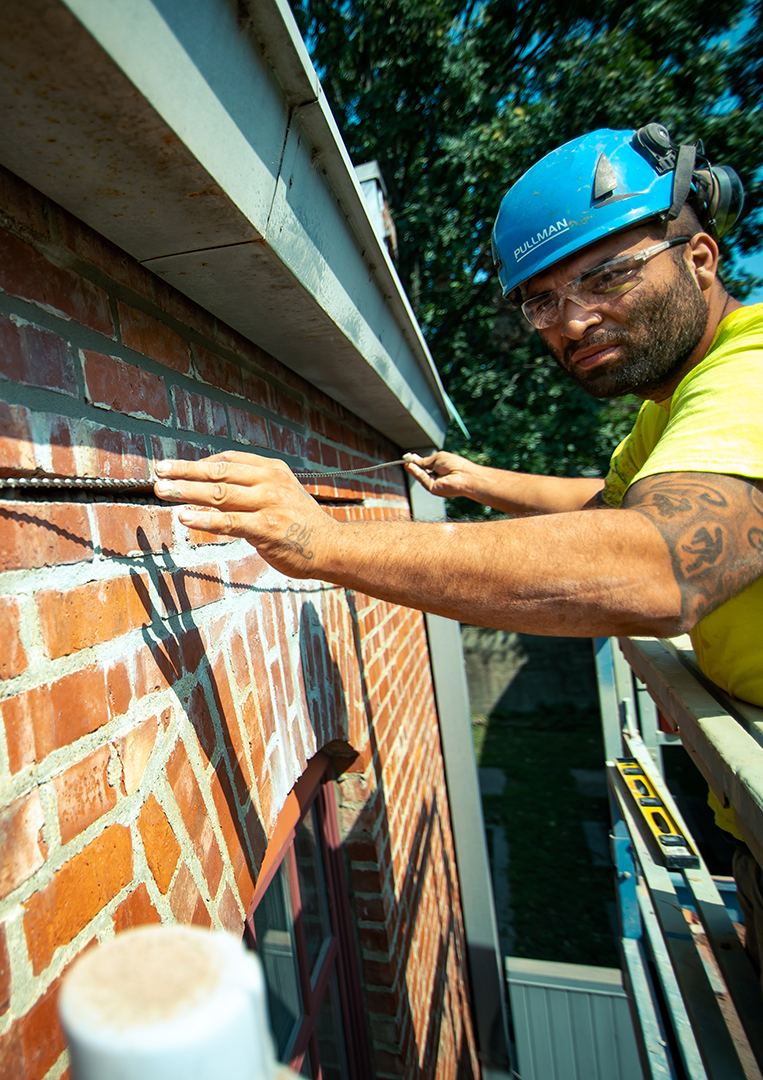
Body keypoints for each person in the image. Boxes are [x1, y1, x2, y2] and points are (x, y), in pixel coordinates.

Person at [152, 124, 763, 993]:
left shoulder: (752, 376)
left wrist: (320, 541)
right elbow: (614, 506)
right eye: (542, 301)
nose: (575, 320)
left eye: (609, 273)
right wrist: (481, 479)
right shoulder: (673, 410)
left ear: (699, 255)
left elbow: (662, 562)